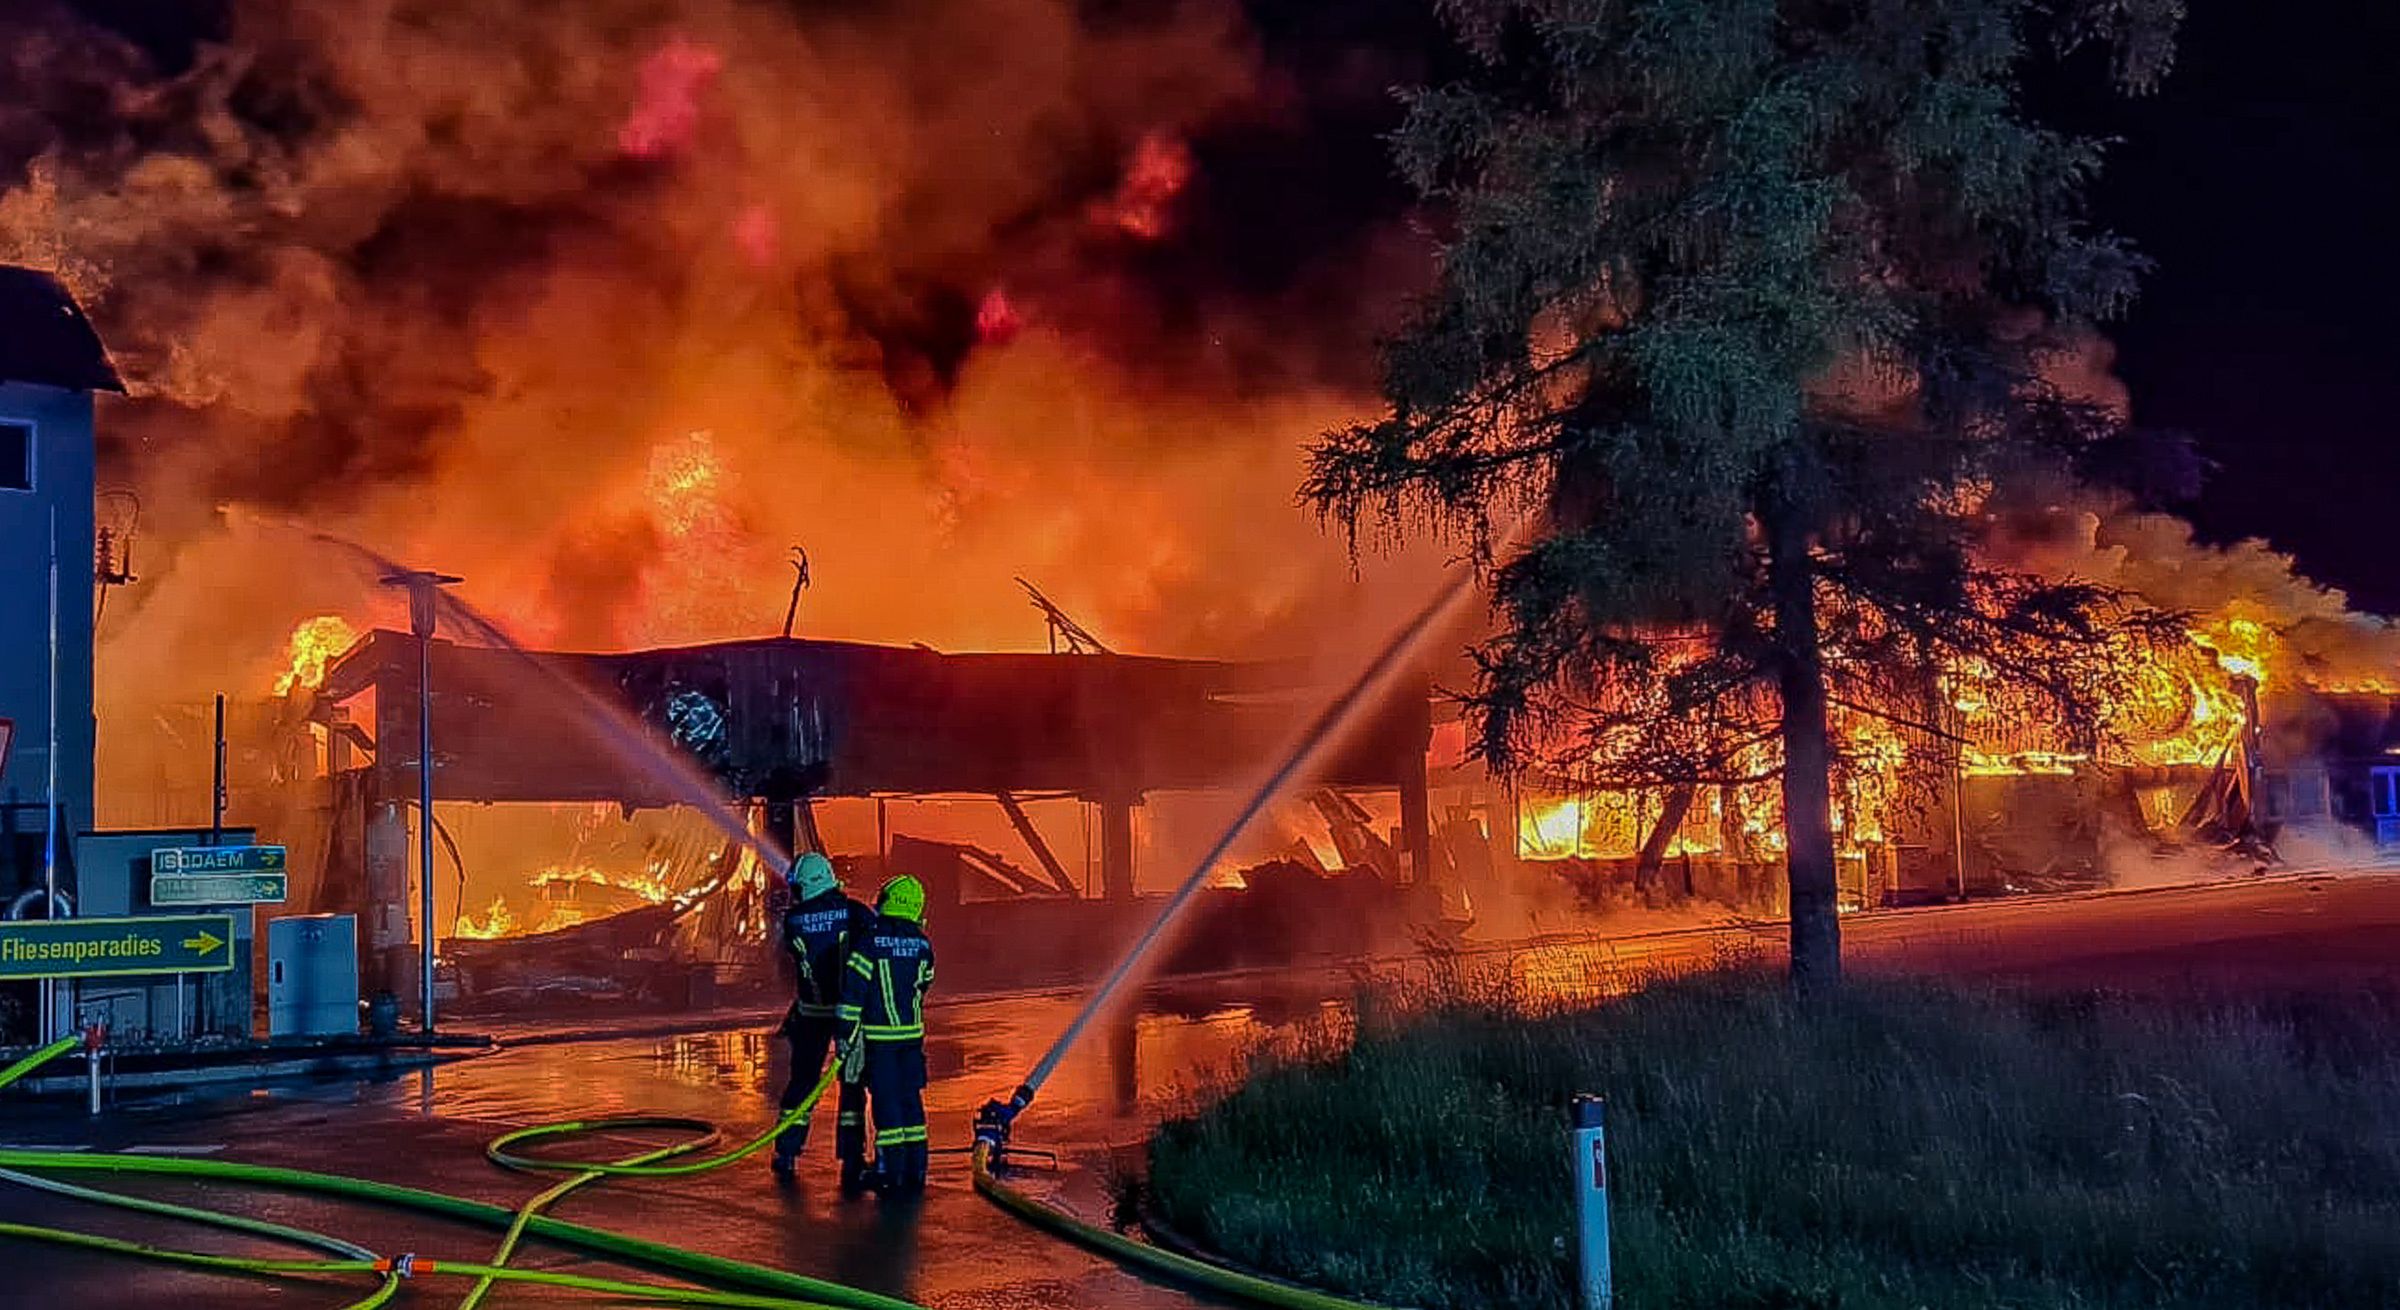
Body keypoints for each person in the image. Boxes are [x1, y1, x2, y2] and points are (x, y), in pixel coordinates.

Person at [773, 851, 875, 1185]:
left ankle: (786, 1152)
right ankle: (852, 1159)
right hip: (849, 1013)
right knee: (852, 1086)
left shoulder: (793, 921)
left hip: (810, 1013)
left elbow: (793, 956)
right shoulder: (855, 913)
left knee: (802, 1082)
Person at [836, 874, 935, 1195]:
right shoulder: (922, 945)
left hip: (880, 1042)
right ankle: (916, 1170)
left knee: (887, 1104)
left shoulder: (868, 945)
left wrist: (844, 1037)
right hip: (911, 1039)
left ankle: (890, 1172)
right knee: (911, 1104)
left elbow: (852, 997)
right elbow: (924, 984)